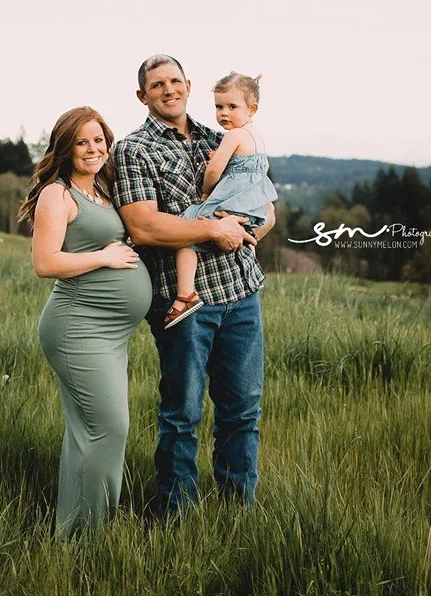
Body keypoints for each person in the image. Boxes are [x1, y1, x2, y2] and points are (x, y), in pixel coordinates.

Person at [113, 55, 275, 516]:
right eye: (156, 84)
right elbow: (144, 228)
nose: (168, 89)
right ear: (143, 96)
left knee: (242, 411)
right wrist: (211, 231)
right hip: (184, 302)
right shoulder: (134, 150)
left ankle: (235, 512)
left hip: (240, 291)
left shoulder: (219, 134)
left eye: (175, 81)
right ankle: (174, 515)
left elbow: (262, 204)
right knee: (182, 414)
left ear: (188, 84)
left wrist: (245, 230)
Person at [18, 107, 152, 538]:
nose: (93, 149)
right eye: (82, 142)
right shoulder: (56, 196)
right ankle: (92, 537)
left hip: (110, 333)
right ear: (65, 147)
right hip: (78, 327)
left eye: (98, 140)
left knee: (86, 433)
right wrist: (105, 256)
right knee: (110, 428)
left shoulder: (101, 189)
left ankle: (72, 537)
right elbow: (45, 262)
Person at [166, 71, 278, 329]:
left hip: (232, 204)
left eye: (231, 107)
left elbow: (214, 170)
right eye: (219, 106)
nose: (223, 113)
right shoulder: (256, 136)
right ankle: (249, 245)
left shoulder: (233, 135)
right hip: (254, 206)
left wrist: (206, 191)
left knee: (187, 226)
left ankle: (186, 295)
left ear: (252, 109)